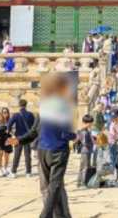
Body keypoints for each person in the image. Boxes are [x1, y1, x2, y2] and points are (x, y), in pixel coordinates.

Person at [37, 73, 77, 217]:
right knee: (55, 185)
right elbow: (65, 134)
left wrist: (20, 139)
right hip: (58, 150)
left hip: (43, 148)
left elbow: (37, 128)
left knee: (50, 186)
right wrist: (75, 136)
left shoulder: (44, 105)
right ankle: (45, 215)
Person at [9, 99, 37, 177]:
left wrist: (12, 134)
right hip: (27, 137)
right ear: (26, 105)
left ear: (19, 105)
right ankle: (28, 172)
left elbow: (9, 125)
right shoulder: (30, 114)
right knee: (27, 155)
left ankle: (13, 172)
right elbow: (34, 126)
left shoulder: (16, 115)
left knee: (17, 155)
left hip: (18, 137)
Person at [75, 114, 95, 187]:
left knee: (83, 166)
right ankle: (83, 182)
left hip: (87, 150)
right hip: (85, 150)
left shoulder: (86, 130)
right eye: (91, 123)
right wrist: (92, 142)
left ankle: (79, 182)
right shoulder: (84, 131)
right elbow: (85, 142)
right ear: (87, 123)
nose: (91, 124)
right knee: (85, 167)